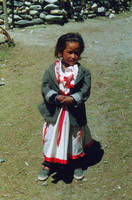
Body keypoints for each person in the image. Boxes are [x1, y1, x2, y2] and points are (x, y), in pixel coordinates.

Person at [38, 32, 94, 181]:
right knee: (52, 137)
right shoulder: (52, 70)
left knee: (74, 138)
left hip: (73, 114)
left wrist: (73, 98)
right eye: (69, 52)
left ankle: (76, 162)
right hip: (55, 113)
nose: (73, 56)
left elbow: (85, 91)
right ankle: (48, 164)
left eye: (77, 52)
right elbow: (45, 87)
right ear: (60, 52)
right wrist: (55, 97)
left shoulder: (83, 73)